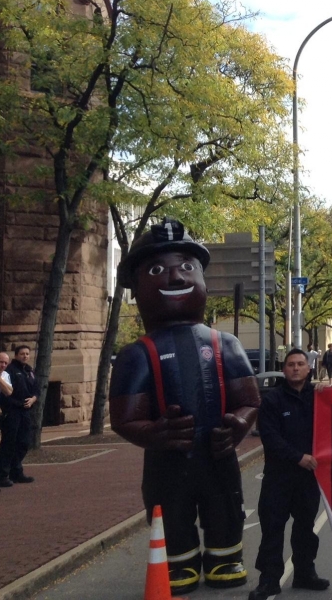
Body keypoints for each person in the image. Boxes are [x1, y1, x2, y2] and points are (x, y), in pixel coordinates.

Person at [109, 218, 261, 593]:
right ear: (137, 286)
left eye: (187, 267)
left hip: (217, 455)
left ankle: (226, 556)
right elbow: (124, 418)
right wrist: (155, 434)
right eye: (158, 270)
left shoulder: (225, 344)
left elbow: (249, 400)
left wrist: (238, 426)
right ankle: (179, 562)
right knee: (170, 510)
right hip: (167, 462)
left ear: (204, 281)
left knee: (225, 505)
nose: (176, 278)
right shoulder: (136, 355)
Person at [248, 349, 330, 600]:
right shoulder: (272, 401)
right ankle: (269, 580)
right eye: (291, 364)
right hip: (278, 477)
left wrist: (330, 395)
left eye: (300, 364)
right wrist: (298, 457)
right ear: (284, 370)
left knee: (305, 528)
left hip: (308, 479)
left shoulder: (318, 398)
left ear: (309, 368)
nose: (295, 368)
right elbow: (270, 437)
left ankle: (305, 573)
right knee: (272, 529)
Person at [0, 345, 37, 488]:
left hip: (26, 411)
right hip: (12, 411)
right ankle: (2, 475)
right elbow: (6, 393)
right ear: (16, 355)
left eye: (27, 353)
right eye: (22, 354)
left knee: (24, 442)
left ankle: (16, 471)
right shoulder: (10, 371)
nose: (25, 356)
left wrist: (33, 399)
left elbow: (36, 389)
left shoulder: (29, 371)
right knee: (9, 443)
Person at [0, 351, 14, 493]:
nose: (3, 365)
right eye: (1, 362)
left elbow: (8, 391)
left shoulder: (4, 375)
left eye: (6, 363)